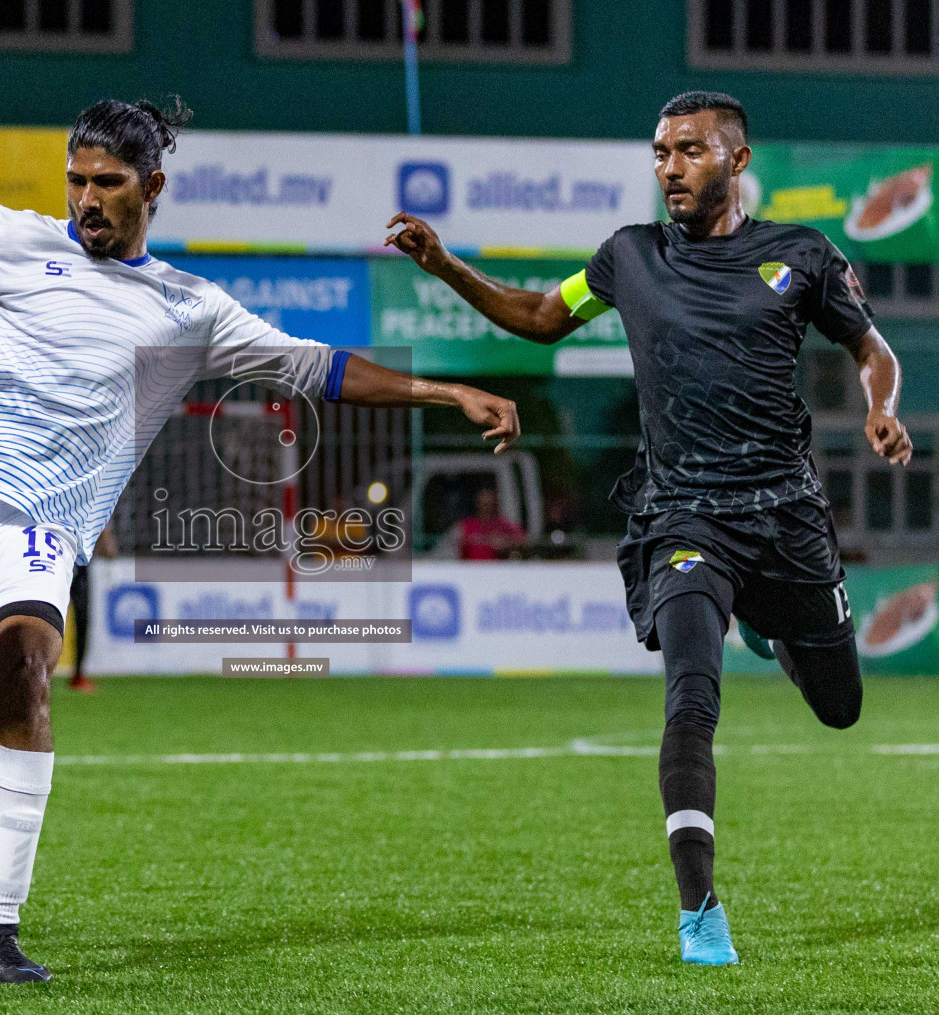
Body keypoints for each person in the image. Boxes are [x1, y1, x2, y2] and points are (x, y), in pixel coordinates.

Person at [0, 97, 521, 984]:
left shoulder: (190, 308)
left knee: (27, 677)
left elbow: (319, 368)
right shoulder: (13, 243)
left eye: (107, 183)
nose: (87, 199)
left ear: (153, 187)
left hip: (32, 536)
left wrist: (448, 395)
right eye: (77, 181)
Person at [386, 90, 910, 966]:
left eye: (691, 151)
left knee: (840, 707)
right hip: (681, 513)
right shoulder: (626, 259)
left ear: (736, 162)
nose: (670, 166)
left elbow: (871, 348)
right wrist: (445, 264)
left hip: (784, 514)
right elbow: (540, 318)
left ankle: (772, 622)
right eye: (661, 151)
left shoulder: (800, 256)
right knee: (691, 695)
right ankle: (699, 911)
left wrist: (882, 409)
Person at [66, 524, 114, 694]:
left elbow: (109, 550)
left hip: (80, 571)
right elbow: (109, 551)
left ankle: (78, 675)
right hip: (55, 566)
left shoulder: (91, 508)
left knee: (83, 622)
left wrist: (105, 536)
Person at [457, 487, 527, 560]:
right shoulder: (466, 525)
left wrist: (507, 542)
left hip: (495, 569)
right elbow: (454, 547)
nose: (488, 508)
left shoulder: (504, 524)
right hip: (472, 569)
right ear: (478, 504)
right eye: (485, 504)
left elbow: (523, 541)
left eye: (491, 504)